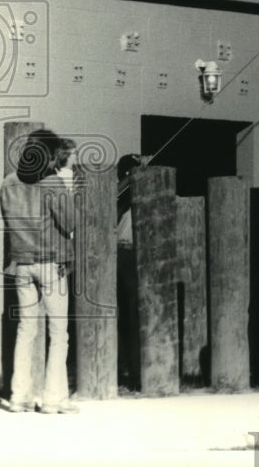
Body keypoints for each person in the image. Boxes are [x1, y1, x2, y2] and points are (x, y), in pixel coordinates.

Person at [0, 129, 79, 414]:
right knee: (59, 334)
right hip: (51, 264)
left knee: (26, 330)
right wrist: (67, 186)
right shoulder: (53, 183)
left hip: (21, 263)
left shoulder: (8, 183)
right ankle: (53, 400)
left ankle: (19, 397)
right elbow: (70, 223)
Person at [115, 153, 142, 388]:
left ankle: (134, 368)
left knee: (133, 313)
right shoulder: (122, 193)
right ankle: (132, 369)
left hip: (133, 252)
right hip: (126, 252)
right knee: (130, 313)